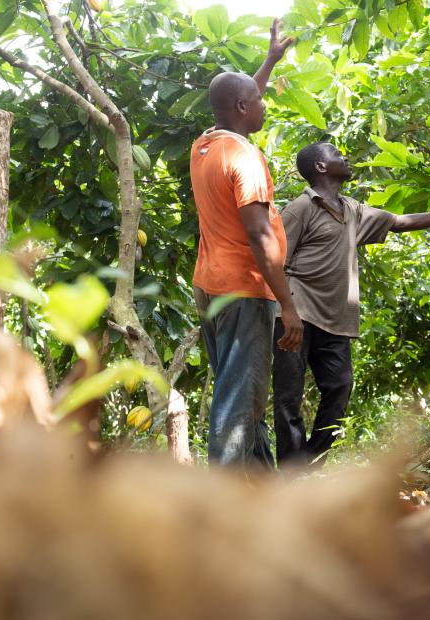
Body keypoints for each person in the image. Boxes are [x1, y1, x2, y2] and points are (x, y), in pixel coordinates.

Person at [272, 141, 430, 469]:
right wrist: (287, 312)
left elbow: (400, 221)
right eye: (335, 154)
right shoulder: (299, 209)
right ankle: (290, 474)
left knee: (340, 387)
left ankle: (309, 463)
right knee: (288, 398)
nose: (344, 157)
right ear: (320, 167)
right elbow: (276, 262)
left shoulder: (351, 209)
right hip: (296, 316)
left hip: (335, 321)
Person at [191, 19, 303, 469]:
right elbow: (259, 235)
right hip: (244, 290)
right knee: (239, 406)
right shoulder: (246, 158)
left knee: (241, 395)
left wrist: (269, 61)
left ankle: (261, 499)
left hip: (212, 288)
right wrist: (288, 305)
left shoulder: (207, 145)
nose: (264, 106)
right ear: (242, 107)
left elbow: (239, 101)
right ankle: (223, 517)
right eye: (259, 101)